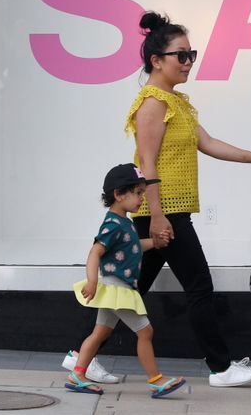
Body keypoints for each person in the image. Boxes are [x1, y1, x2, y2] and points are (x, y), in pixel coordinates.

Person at [125, 11, 251, 387]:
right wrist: (159, 216)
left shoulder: (175, 102)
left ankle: (79, 356)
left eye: (191, 54)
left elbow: (207, 143)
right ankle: (221, 368)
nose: (188, 62)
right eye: (181, 55)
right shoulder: (152, 104)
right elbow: (146, 164)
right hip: (163, 213)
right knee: (199, 288)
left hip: (167, 212)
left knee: (129, 289)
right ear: (156, 60)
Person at [66, 163, 185, 398]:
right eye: (137, 193)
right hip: (117, 287)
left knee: (100, 333)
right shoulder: (112, 224)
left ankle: (78, 374)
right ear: (119, 194)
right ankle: (156, 380)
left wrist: (155, 244)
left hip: (119, 288)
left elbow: (133, 246)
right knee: (145, 332)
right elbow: (94, 252)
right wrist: (91, 281)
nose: (142, 198)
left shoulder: (124, 223)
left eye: (142, 193)